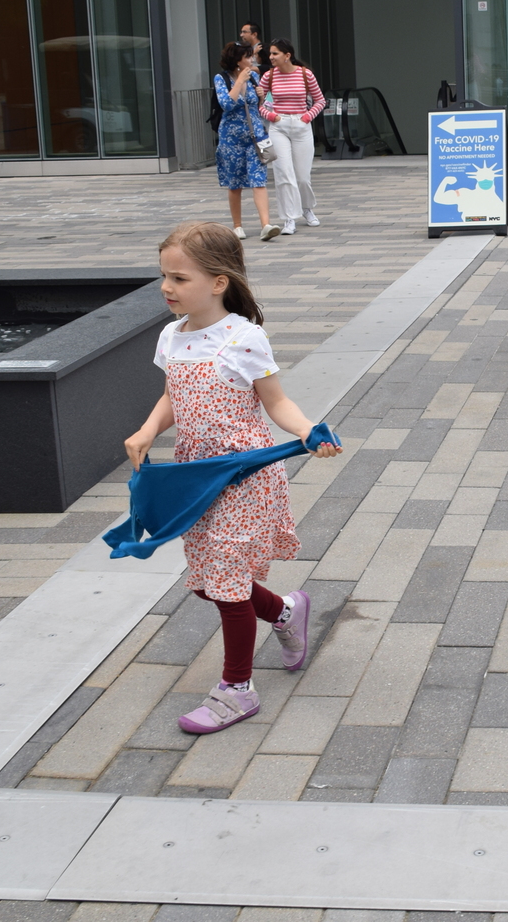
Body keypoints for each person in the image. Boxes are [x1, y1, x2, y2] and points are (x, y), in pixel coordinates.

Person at [123, 221, 340, 734]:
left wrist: (307, 431)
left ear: (219, 282)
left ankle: (237, 690)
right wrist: (148, 430)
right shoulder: (171, 337)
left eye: (179, 278)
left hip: (244, 477)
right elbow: (173, 395)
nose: (167, 287)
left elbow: (277, 402)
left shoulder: (244, 338)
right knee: (210, 585)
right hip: (195, 478)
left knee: (225, 585)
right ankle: (285, 612)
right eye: (164, 276)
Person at [214, 42, 277, 242]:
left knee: (259, 180)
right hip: (231, 139)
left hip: (255, 136)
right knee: (235, 183)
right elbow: (226, 104)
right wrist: (239, 81)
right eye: (248, 57)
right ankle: (237, 226)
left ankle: (266, 225)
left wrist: (261, 97)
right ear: (236, 60)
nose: (252, 60)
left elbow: (264, 104)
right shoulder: (222, 78)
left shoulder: (254, 77)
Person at [259, 40, 324, 233]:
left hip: (301, 125)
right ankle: (289, 218)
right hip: (279, 126)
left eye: (275, 53)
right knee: (283, 174)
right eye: (270, 53)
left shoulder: (305, 74)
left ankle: (307, 208)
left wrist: (307, 117)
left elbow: (320, 101)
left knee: (303, 177)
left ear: (287, 55)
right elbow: (258, 104)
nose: (271, 57)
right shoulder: (269, 76)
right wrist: (271, 116)